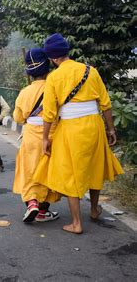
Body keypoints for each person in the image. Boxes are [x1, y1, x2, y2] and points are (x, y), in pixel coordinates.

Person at [33, 33, 123, 234]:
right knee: (94, 166)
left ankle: (76, 223)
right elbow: (105, 103)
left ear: (53, 58)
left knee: (71, 172)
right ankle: (93, 209)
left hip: (70, 129)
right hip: (94, 125)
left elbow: (49, 113)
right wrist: (110, 128)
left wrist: (45, 138)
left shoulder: (54, 77)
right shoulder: (91, 71)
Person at [13, 49, 61, 223]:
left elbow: (18, 118)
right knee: (47, 173)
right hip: (52, 135)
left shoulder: (24, 92)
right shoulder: (55, 87)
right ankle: (42, 210)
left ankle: (31, 203)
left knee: (29, 171)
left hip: (31, 137)